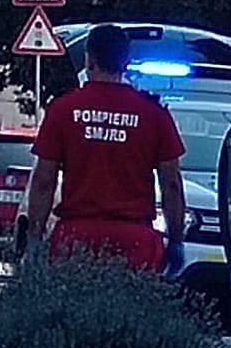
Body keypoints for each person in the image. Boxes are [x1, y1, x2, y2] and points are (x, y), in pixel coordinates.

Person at [26, 23, 186, 273]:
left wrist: (34, 238)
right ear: (125, 62)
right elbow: (171, 184)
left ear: (89, 60)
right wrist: (176, 240)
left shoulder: (63, 110)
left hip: (76, 238)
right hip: (136, 241)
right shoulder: (154, 114)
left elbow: (43, 182)